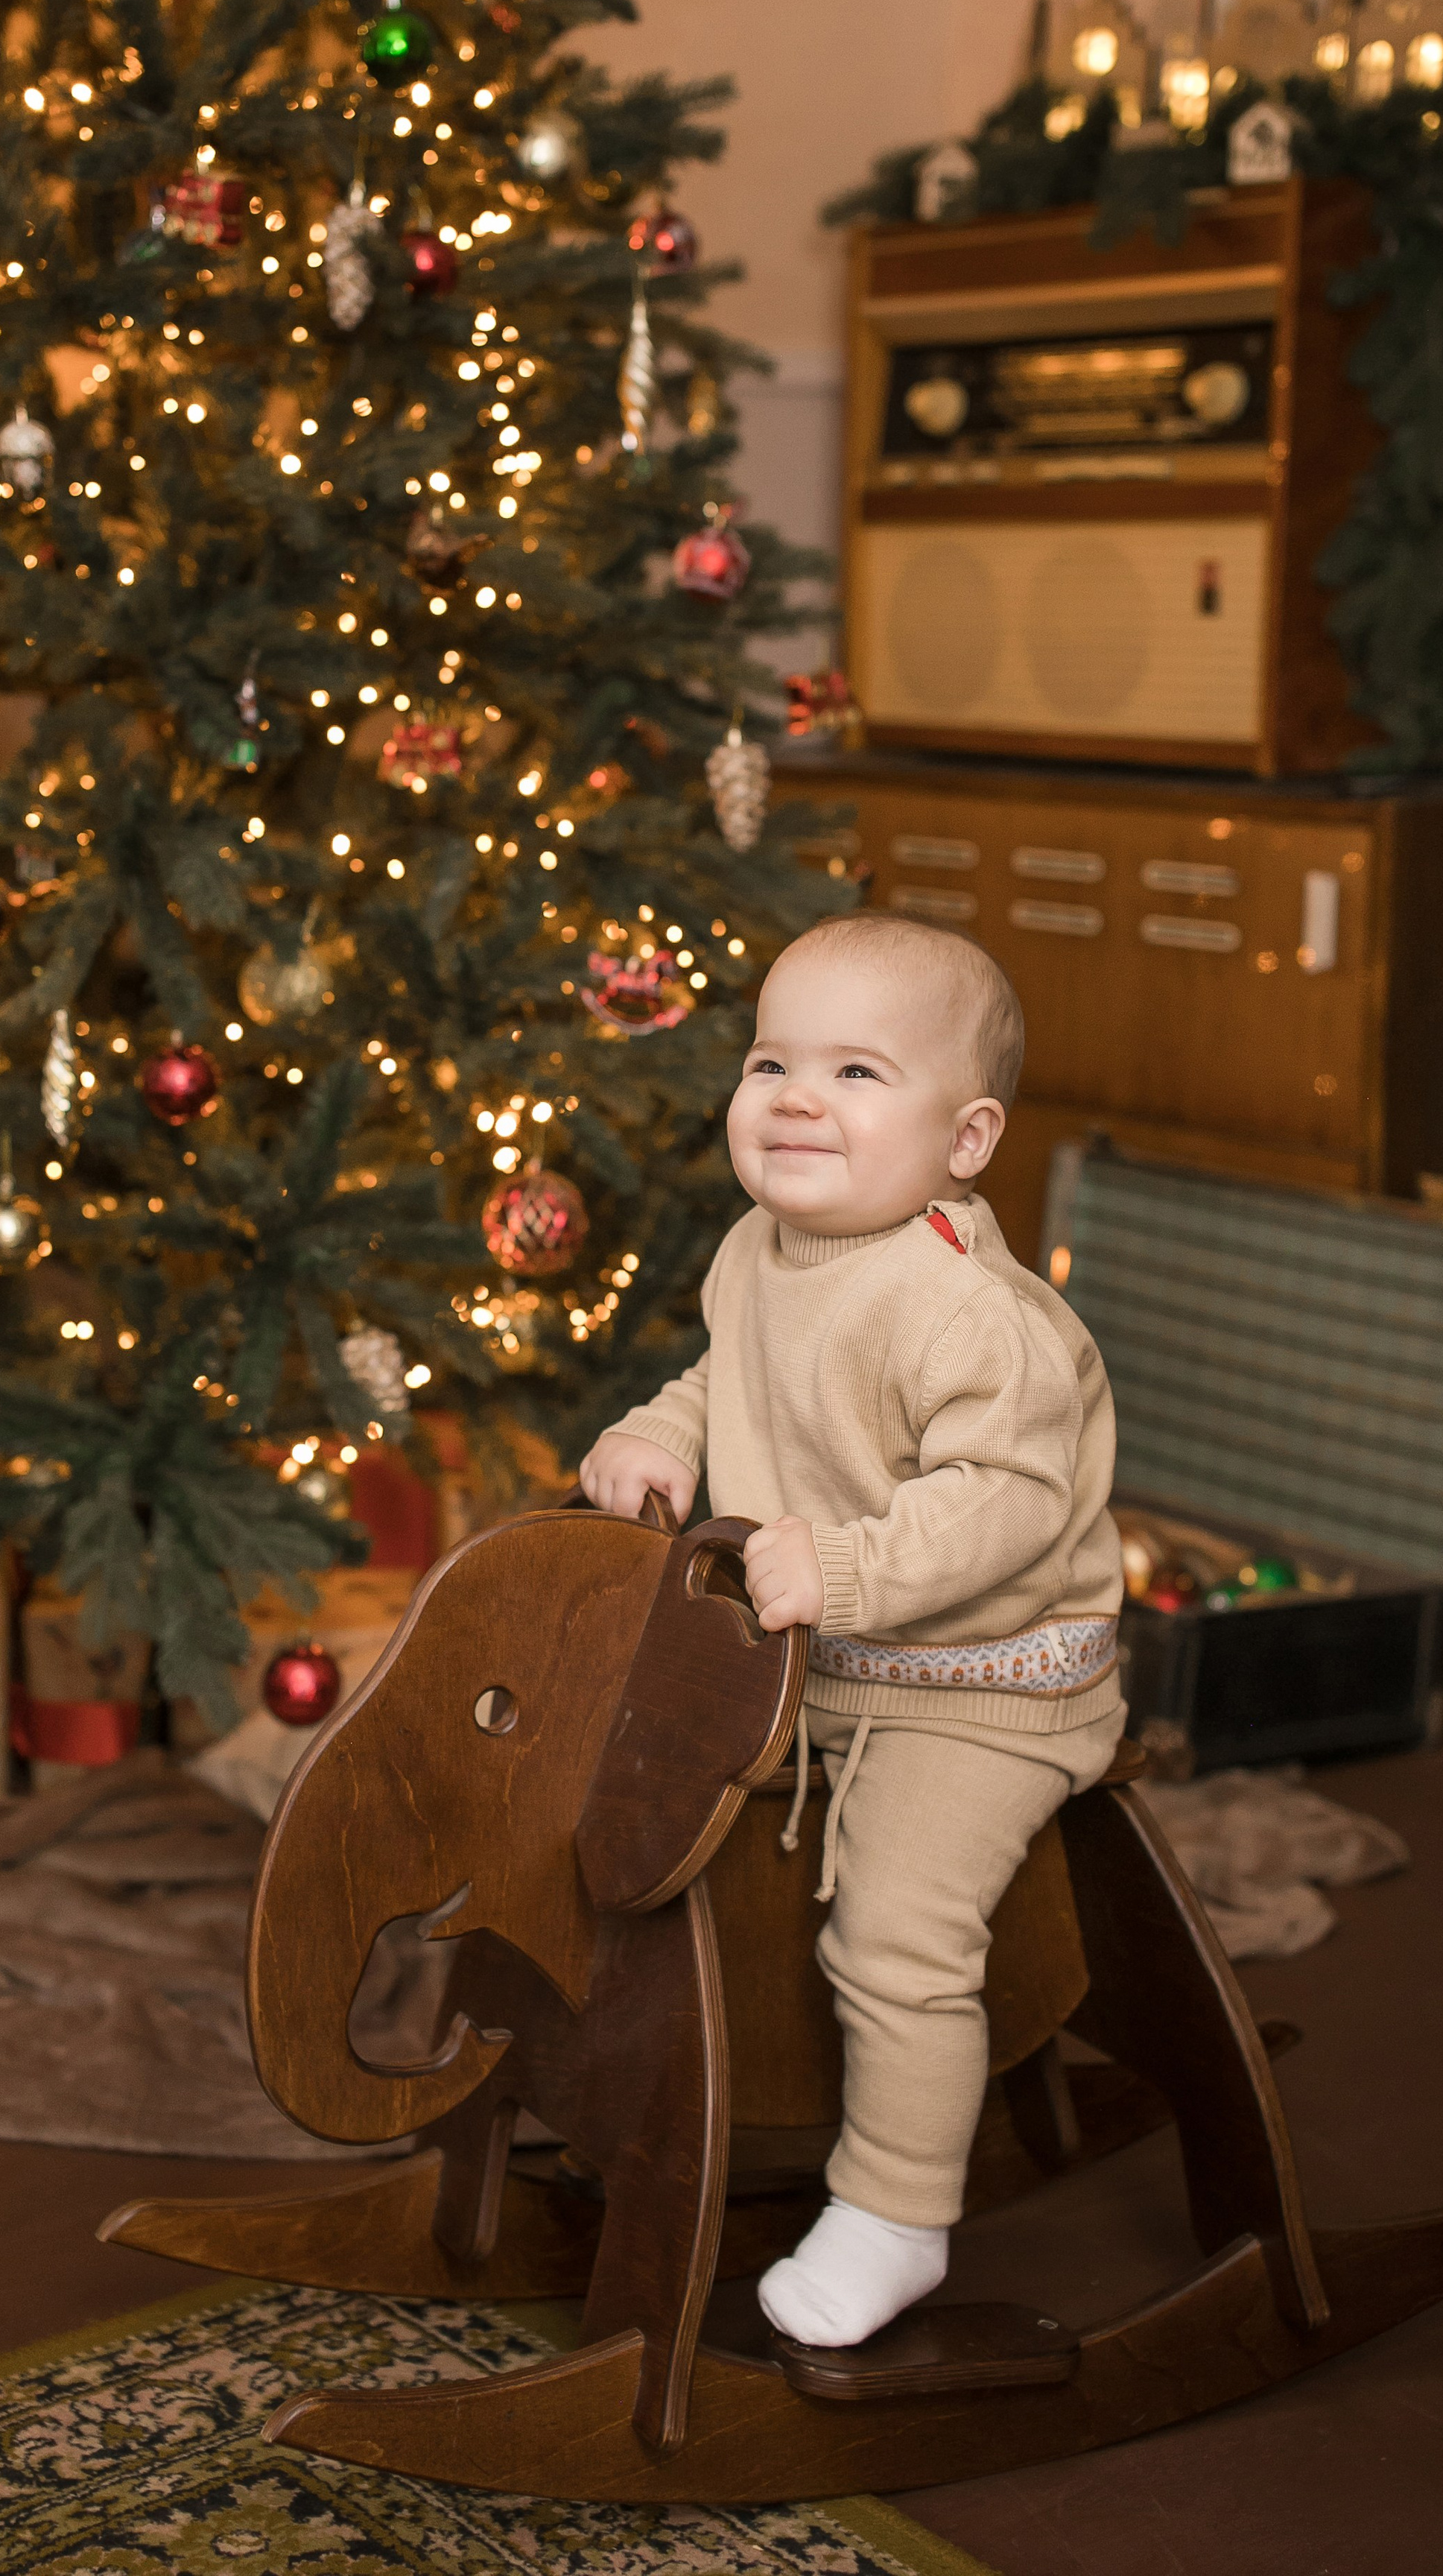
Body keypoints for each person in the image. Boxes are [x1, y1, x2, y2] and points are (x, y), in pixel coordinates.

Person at [578, 910, 1125, 2348]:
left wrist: (853, 1567)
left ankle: (895, 2212)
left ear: (966, 1140)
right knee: (622, 1780)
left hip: (978, 1685)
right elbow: (729, 1381)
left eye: (859, 1073)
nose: (798, 1098)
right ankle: (659, 2073)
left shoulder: (969, 1313)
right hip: (816, 1652)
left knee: (896, 1931)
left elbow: (1009, 1503)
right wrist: (658, 1436)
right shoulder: (763, 1248)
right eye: (772, 1061)